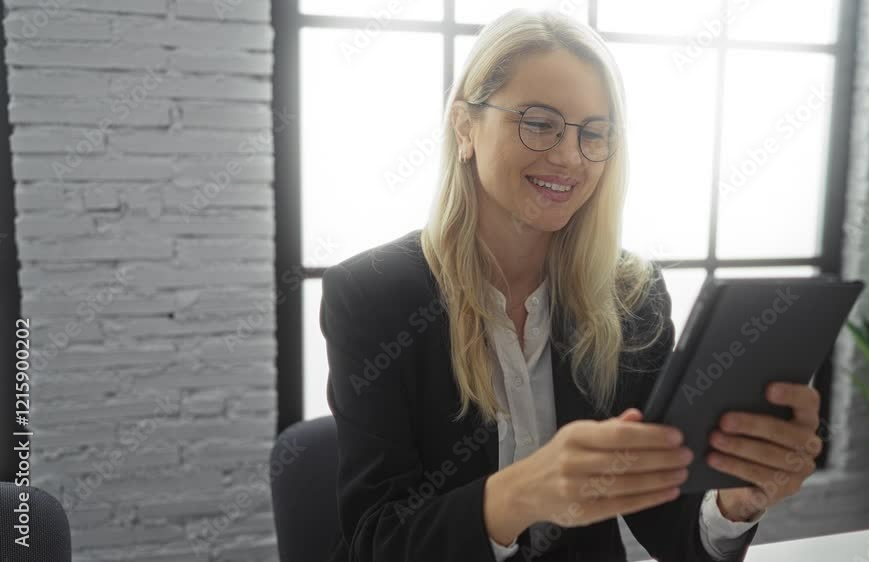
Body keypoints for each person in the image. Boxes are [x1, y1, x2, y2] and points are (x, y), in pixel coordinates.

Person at [320, 9, 823, 562]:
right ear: (465, 126)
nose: (568, 157)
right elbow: (376, 542)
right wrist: (517, 496)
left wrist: (733, 502)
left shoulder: (631, 297)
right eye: (539, 123)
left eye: (594, 133)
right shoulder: (373, 297)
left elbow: (667, 521)